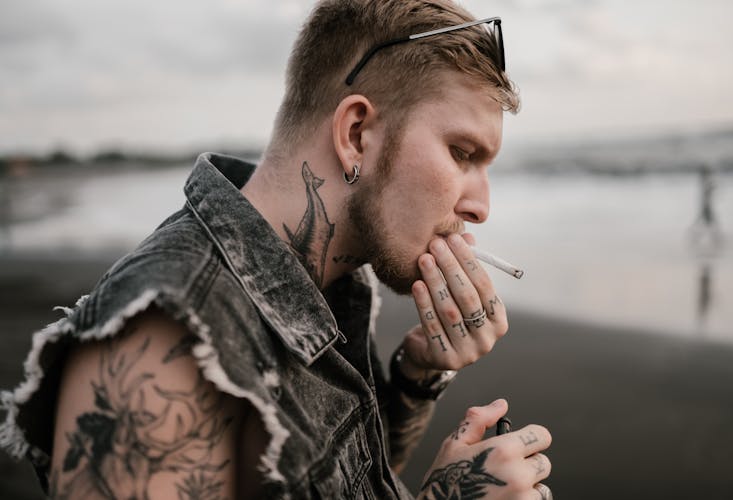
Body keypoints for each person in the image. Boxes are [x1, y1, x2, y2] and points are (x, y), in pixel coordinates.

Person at [0, 0, 553, 498]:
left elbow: (345, 479)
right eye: (461, 154)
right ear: (357, 133)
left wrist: (416, 373)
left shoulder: (333, 277)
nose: (481, 206)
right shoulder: (164, 340)